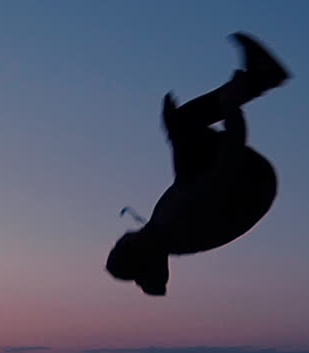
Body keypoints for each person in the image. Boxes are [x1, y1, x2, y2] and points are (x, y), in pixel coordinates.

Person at [106, 32, 290, 296]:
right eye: (117, 246)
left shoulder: (164, 231)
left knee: (181, 124)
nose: (118, 239)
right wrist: (231, 106)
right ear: (133, 248)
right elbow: (227, 164)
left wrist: (175, 135)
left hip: (238, 182)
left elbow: (186, 177)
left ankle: (261, 77)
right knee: (184, 123)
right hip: (251, 180)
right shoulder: (176, 224)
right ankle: (261, 77)